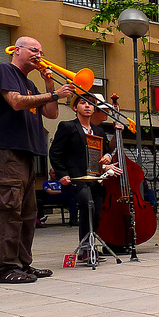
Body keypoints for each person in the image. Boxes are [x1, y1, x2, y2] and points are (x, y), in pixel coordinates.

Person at [0, 36, 76, 284]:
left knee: (27, 212)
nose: (39, 54)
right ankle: (5, 268)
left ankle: (23, 264)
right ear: (17, 50)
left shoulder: (30, 84)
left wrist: (48, 84)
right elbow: (15, 102)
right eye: (34, 50)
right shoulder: (5, 70)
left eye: (41, 51)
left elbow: (51, 113)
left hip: (25, 153)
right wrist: (55, 93)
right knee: (8, 209)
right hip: (6, 150)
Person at [48, 95, 122, 260]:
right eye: (83, 103)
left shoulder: (98, 131)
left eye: (90, 104)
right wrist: (62, 174)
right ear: (75, 108)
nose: (87, 106)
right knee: (88, 206)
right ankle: (85, 250)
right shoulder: (67, 127)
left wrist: (108, 158)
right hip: (76, 178)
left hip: (95, 179)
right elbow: (55, 153)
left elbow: (104, 153)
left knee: (96, 214)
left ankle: (90, 247)